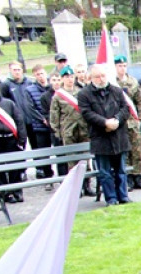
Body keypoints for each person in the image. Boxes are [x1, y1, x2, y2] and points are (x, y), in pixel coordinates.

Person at [78, 64, 130, 206]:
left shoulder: (116, 91)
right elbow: (87, 113)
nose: (101, 79)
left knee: (121, 170)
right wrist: (105, 123)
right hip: (100, 137)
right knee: (105, 172)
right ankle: (111, 198)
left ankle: (123, 196)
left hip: (119, 136)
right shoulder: (84, 94)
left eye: (103, 75)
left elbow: (125, 109)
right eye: (97, 77)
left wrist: (116, 120)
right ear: (90, 78)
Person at [49, 66, 92, 196]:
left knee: (85, 159)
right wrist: (58, 133)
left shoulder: (81, 92)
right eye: (67, 77)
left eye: (71, 76)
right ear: (62, 79)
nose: (70, 79)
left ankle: (87, 185)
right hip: (68, 132)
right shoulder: (58, 96)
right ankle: (76, 188)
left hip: (83, 130)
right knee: (72, 162)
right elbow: (54, 117)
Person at [0, 78, 27, 204]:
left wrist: (22, 140)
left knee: (16, 166)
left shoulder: (9, 103)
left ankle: (16, 191)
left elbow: (19, 121)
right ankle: (4, 193)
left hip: (11, 139)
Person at [114, 56, 141, 189]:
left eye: (124, 65)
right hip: (121, 122)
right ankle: (128, 176)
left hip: (134, 121)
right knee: (125, 150)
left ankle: (137, 174)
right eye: (119, 66)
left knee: (137, 149)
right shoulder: (113, 83)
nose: (122, 68)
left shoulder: (133, 81)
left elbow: (140, 101)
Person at [23, 64, 54, 180]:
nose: (40, 76)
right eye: (37, 74)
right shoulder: (29, 90)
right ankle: (48, 177)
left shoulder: (53, 88)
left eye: (42, 73)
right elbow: (30, 108)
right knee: (44, 154)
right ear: (34, 76)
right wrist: (43, 119)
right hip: (40, 127)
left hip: (55, 126)